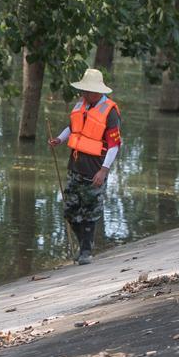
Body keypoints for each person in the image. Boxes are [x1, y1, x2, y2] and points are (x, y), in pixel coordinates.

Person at [48, 68, 122, 265]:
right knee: (70, 210)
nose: (83, 95)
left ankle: (86, 252)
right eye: (83, 91)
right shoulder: (81, 105)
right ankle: (84, 247)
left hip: (95, 170)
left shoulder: (110, 112)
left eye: (87, 91)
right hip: (75, 167)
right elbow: (72, 127)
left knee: (90, 211)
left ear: (97, 92)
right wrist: (59, 139)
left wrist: (104, 170)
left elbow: (114, 145)